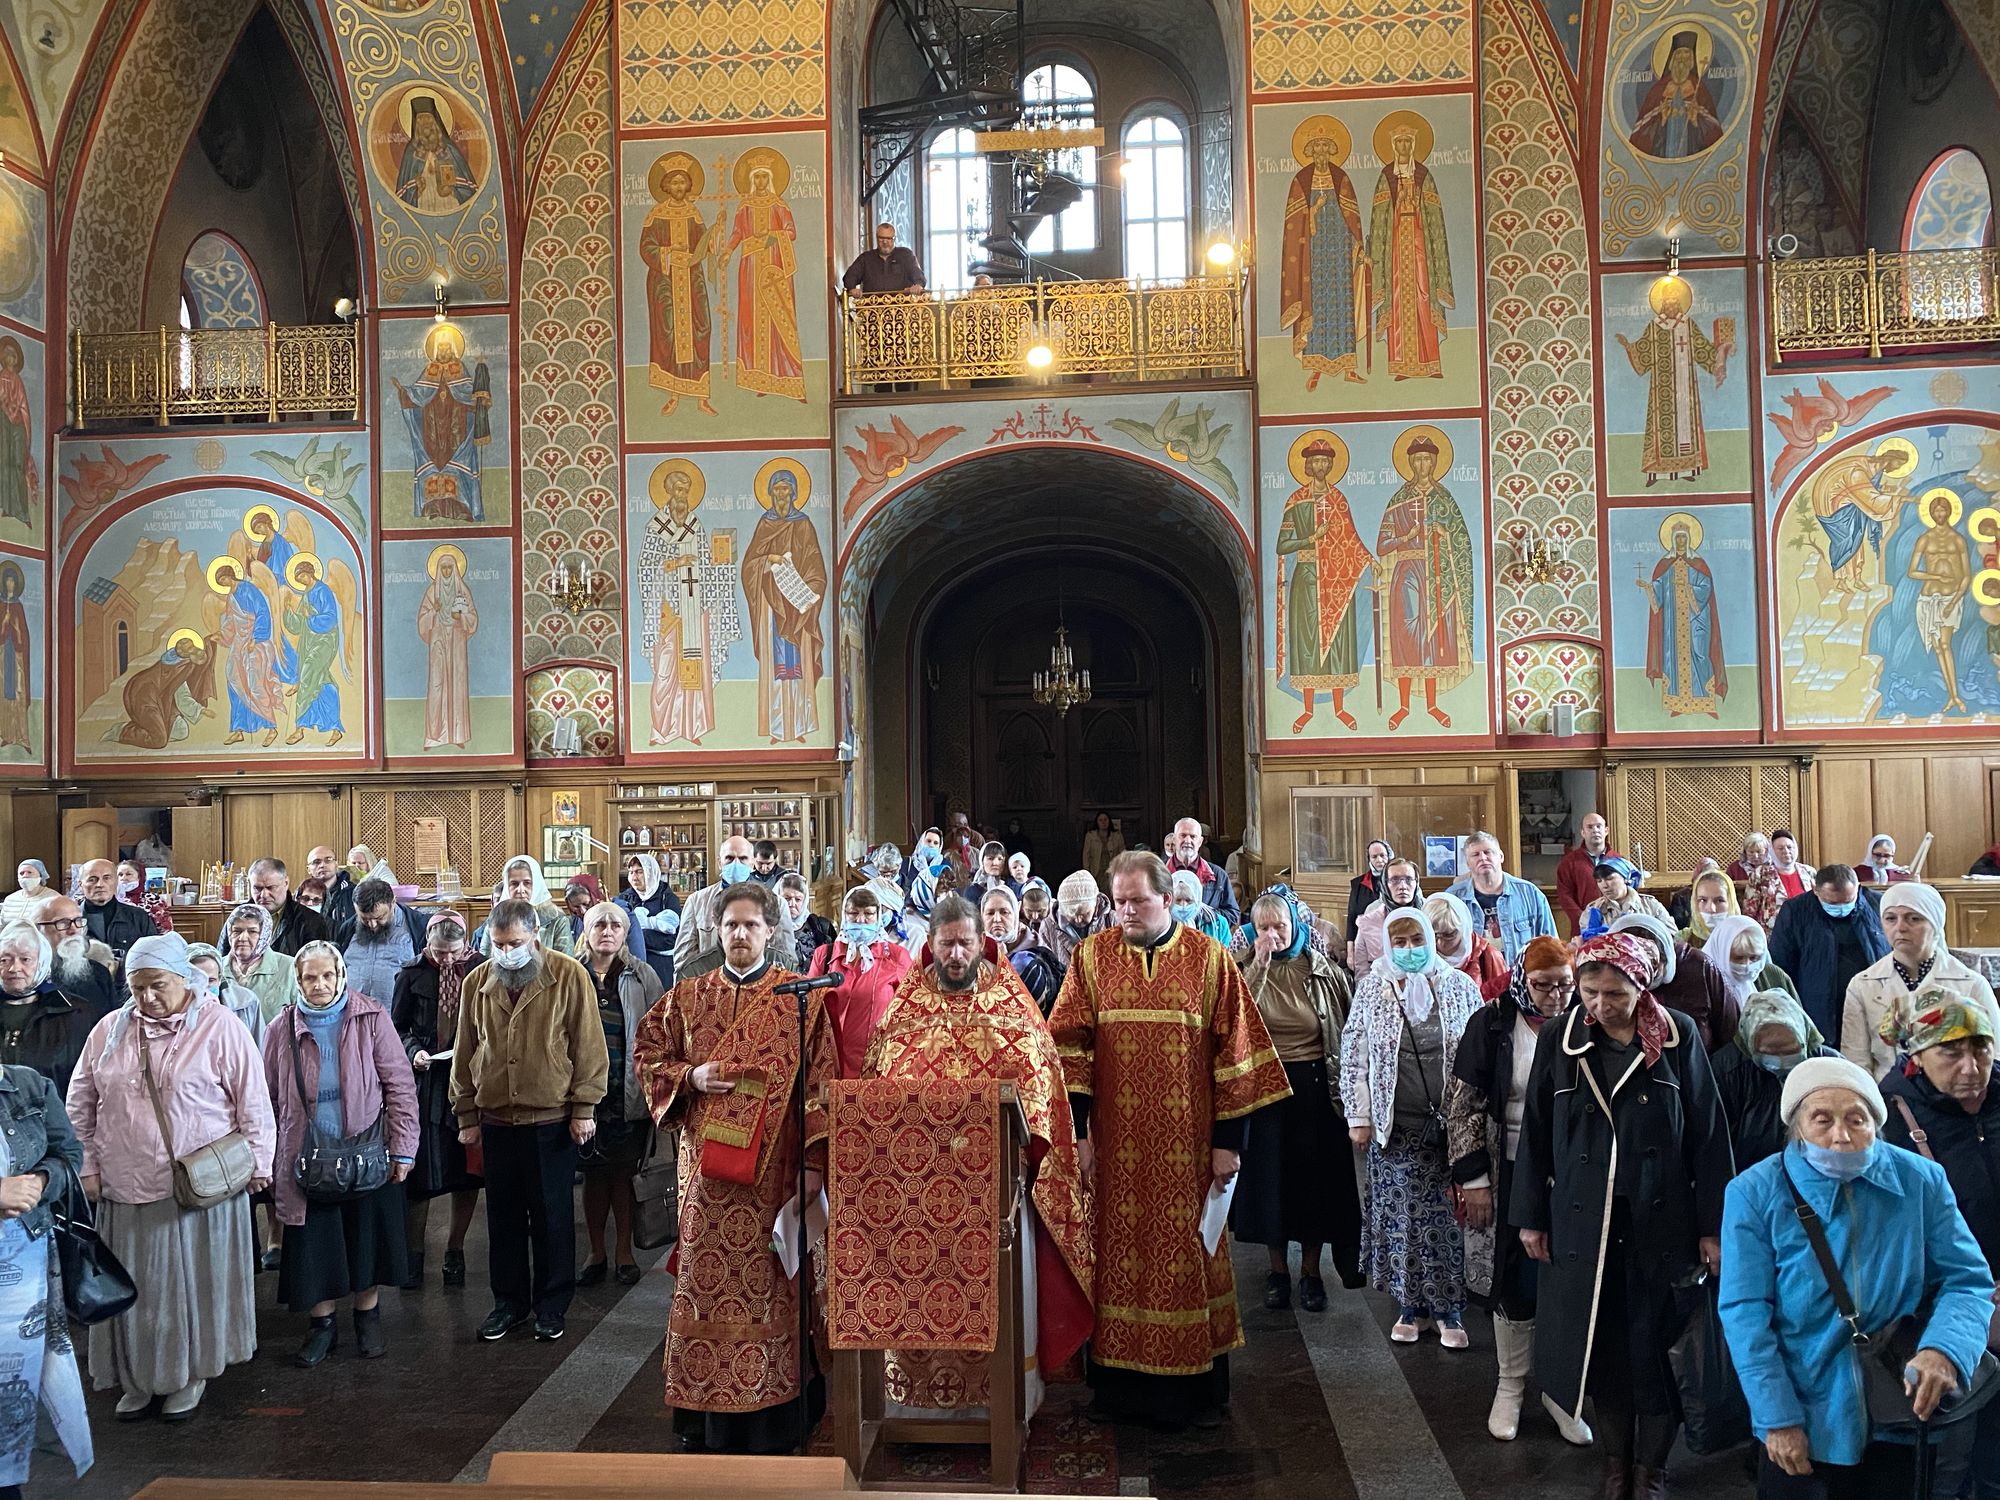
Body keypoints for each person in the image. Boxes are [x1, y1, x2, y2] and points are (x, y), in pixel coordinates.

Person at [1048, 850, 1290, 1430]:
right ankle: (1119, 1391)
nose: (1127, 911)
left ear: (1166, 898)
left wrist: (1229, 1143)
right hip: (1115, 1151)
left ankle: (1193, 1393)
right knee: (1116, 1262)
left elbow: (1238, 1056)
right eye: (1119, 901)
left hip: (1189, 1151)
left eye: (1138, 900)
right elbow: (1067, 1050)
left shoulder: (1210, 960)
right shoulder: (1090, 959)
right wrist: (1079, 1135)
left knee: (1188, 1260)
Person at [857, 892, 1093, 1421]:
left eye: (966, 943)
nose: (957, 954)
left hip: (999, 1192)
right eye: (947, 945)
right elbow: (878, 1085)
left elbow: (1041, 1082)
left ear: (982, 942)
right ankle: (916, 1411)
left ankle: (1003, 1408)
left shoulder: (1010, 1004)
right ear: (931, 945)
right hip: (916, 1193)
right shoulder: (905, 1009)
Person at [1512, 932, 1731, 1498]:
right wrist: (1531, 1216)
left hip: (1660, 1221)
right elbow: (1536, 1129)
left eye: (1615, 994)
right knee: (1603, 1351)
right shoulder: (1562, 1037)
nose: (1601, 1005)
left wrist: (1714, 1228)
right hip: (1586, 1221)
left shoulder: (1677, 1034)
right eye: (1590, 992)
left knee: (1658, 1352)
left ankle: (1650, 1468)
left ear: (1642, 987)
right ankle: (1616, 1465)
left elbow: (1708, 1134)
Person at [1720, 1055, 1994, 1498]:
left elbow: (1967, 1280)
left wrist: (1944, 1350)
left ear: (1876, 1123)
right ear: (1796, 1127)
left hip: (1899, 1408)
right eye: (1822, 1120)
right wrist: (1777, 1418)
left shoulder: (1920, 1181)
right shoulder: (1754, 1193)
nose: (1841, 1135)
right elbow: (1745, 1313)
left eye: (1856, 1119)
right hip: (1806, 1412)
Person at [633, 880, 838, 1453]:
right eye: (731, 925)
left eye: (751, 925)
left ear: (771, 930)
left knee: (773, 1283)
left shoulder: (799, 1000)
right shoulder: (687, 997)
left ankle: (775, 1414)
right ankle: (704, 1416)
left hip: (773, 1178)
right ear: (716, 931)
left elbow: (822, 1087)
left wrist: (814, 1164)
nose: (740, 934)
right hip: (705, 1180)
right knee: (702, 1284)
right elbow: (648, 1054)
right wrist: (690, 1077)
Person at [66, 933, 276, 1422]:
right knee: (134, 1289)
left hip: (197, 1188)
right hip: (125, 1185)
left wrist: (259, 1164)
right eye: (137, 988)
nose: (147, 997)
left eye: (157, 985)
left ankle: (188, 1374)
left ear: (184, 978)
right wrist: (86, 1166)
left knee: (192, 1289)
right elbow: (80, 1103)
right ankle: (138, 1377)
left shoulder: (219, 1026)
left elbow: (253, 1101)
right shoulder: (109, 1030)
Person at [1444, 935, 1594, 1446]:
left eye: (1565, 985)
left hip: (1571, 1172)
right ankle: (1510, 1385)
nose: (1555, 996)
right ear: (1521, 981)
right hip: (1504, 1165)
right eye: (1543, 986)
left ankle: (1560, 1392)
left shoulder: (1587, 1024)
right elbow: (1462, 1105)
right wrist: (1474, 1181)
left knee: (1567, 1279)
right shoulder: (1491, 1024)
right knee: (1515, 1279)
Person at [448, 898, 607, 1343]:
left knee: (552, 1217)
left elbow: (589, 1048)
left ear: (535, 935)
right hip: (496, 1119)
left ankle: (551, 1305)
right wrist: (465, 1112)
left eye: (514, 943)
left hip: (551, 1119)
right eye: (498, 944)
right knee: (503, 1219)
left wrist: (584, 1108)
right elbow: (465, 1050)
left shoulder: (568, 974)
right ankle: (509, 1303)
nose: (506, 953)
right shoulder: (478, 981)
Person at [263, 942, 417, 1367]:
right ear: (298, 981)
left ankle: (368, 1320)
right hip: (306, 1156)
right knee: (315, 1246)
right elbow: (267, 1098)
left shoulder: (371, 1016)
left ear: (341, 975)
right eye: (310, 977)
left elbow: (400, 1086)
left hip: (366, 1151)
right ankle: (322, 1328)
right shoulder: (280, 1028)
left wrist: (403, 1149)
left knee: (366, 1240)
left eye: (327, 975)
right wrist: (268, 1158)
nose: (320, 985)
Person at [1343, 904, 1482, 1347]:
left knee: (1447, 1219)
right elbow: (1354, 1053)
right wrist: (1359, 1116)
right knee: (1404, 1219)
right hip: (1396, 1128)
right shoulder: (1373, 987)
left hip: (1453, 1127)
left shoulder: (1459, 985)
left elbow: (1478, 1051)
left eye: (1416, 940)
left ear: (1430, 940)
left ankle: (1449, 1309)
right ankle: (1412, 1306)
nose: (1408, 949)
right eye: (1399, 942)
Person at [1878, 996, 2000, 1498]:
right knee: (1952, 1443)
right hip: (1941, 1304)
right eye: (1951, 1052)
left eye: (1981, 1049)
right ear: (1918, 1056)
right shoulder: (1888, 1118)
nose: (1971, 1067)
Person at [1235, 890, 1361, 1311]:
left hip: (1314, 1085)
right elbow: (1235, 1020)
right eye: (1263, 928)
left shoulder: (1323, 970)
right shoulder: (1241, 969)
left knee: (1313, 1182)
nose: (1273, 934)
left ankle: (1311, 1272)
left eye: (1280, 926)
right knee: (1269, 1180)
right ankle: (1277, 1271)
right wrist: (1259, 966)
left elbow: (1348, 1028)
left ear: (1295, 926)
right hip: (1264, 1087)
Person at [0, 1054, 93, 1490]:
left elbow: (68, 1154)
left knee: (12, 1390)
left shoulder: (29, 1086)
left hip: (23, 1264)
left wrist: (39, 1182)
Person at [390, 912, 482, 1290]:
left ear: (465, 945)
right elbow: (397, 1027)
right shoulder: (411, 973)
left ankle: (454, 1250)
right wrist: (413, 1050)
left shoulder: (480, 970)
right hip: (428, 1079)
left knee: (467, 1172)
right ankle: (413, 1254)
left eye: (453, 952)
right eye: (439, 952)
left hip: (470, 1079)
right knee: (421, 1172)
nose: (445, 959)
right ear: (427, 942)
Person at [574, 902, 663, 1289]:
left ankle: (624, 1252)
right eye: (599, 924)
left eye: (615, 925)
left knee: (625, 1176)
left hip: (628, 1092)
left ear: (626, 933)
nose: (607, 931)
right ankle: (596, 1252)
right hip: (584, 1096)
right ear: (586, 930)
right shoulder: (571, 972)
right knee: (593, 1177)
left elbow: (659, 1031)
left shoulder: (643, 975)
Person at [1841, 880, 1998, 1079]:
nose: (1900, 927)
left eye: (1914, 919)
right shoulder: (1863, 984)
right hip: (1888, 1092)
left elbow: (1994, 1054)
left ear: (1935, 924)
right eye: (1890, 918)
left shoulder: (1971, 984)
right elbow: (1856, 1062)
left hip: (1955, 1091)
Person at [1713, 989, 1837, 1171]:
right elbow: (1715, 1140)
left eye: (1790, 1051)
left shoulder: (1831, 1066)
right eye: (1768, 1052)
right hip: (1752, 1173)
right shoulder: (1728, 1070)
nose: (1780, 1060)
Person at [1769, 864, 1888, 1051]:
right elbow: (1781, 964)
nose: (1841, 907)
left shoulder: (1878, 904)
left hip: (1872, 1004)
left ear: (1857, 887)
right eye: (1832, 903)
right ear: (1815, 890)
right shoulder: (1795, 911)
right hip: (1819, 1006)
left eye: (1848, 901)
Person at [805, 885, 912, 1077]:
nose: (860, 920)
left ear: (878, 917)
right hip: (828, 1063)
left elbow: (909, 1012)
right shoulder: (825, 955)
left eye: (868, 914)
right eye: (853, 913)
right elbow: (809, 1006)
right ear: (844, 915)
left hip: (875, 1064)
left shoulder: (897, 957)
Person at [1611, 910, 1740, 1055]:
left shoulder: (1698, 967)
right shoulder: (1606, 979)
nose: (1644, 978)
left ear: (1665, 957)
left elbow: (1731, 1032)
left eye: (1652, 968)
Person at [673, 834, 798, 980]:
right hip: (709, 986)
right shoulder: (697, 902)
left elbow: (786, 959)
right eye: (729, 858)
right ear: (719, 863)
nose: (736, 864)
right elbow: (683, 960)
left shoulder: (777, 903)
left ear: (752, 863)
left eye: (743, 858)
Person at [0, 921, 99, 1094]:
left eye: (25, 959)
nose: (14, 968)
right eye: (4, 960)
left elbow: (89, 1081)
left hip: (53, 1109)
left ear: (42, 962)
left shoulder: (74, 1011)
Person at [1446, 832, 1556, 968]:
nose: (1483, 858)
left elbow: (1551, 944)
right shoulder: (1453, 899)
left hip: (1519, 976)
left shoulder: (1530, 894)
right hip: (1473, 977)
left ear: (1501, 856)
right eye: (1475, 855)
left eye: (1488, 852)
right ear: (1468, 863)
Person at [342, 878, 429, 1008]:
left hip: (397, 1014)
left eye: (379, 918)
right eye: (364, 919)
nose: (372, 925)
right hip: (353, 1011)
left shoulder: (418, 927)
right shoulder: (347, 928)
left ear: (393, 902)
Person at [33, 894, 118, 1017]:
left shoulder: (99, 973)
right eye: (63, 923)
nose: (73, 930)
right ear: (37, 929)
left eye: (78, 921)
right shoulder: (27, 977)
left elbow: (113, 1022)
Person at [1702, 913, 1800, 1020]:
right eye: (1738, 958)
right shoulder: (1705, 984)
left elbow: (1800, 1021)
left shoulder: (1774, 976)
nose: (1747, 965)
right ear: (1722, 954)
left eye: (1754, 958)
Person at [980, 886, 1061, 1013]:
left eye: (1004, 912)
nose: (997, 919)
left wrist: (1004, 963)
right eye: (990, 913)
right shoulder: (974, 949)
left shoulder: (1034, 948)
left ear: (1015, 914)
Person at [220, 901, 297, 1025]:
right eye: (237, 931)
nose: (242, 938)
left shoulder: (290, 967)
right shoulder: (217, 968)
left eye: (252, 932)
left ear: (265, 935)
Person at [481, 856, 573, 959]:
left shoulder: (556, 920)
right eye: (514, 884)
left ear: (537, 885)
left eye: (527, 883)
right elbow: (484, 959)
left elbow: (566, 962)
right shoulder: (496, 919)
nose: (520, 890)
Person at [1426, 891, 1509, 1002]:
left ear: (1464, 929)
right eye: (1434, 935)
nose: (1440, 943)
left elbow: (1503, 1002)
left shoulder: (1488, 955)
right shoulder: (1423, 955)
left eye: (1449, 935)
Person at [185, 941, 265, 1048]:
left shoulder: (246, 1002)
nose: (204, 987)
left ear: (219, 979)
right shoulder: (174, 1009)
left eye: (211, 980)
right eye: (197, 980)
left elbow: (260, 1045)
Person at [1352, 857, 1424, 974]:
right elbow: (1362, 968)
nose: (1402, 886)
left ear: (1417, 883)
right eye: (1394, 880)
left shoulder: (1429, 914)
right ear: (1385, 884)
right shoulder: (1370, 920)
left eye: (1409, 879)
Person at [78, 858, 157, 963]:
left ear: (116, 882)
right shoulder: (71, 921)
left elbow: (154, 956)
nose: (100, 884)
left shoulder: (139, 917)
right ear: (80, 885)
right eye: (92, 879)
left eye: (106, 878)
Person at [244, 858, 328, 957]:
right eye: (257, 888)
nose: (264, 895)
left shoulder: (311, 921)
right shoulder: (239, 916)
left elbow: (317, 963)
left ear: (286, 883)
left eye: (271, 888)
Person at [1166, 818, 1241, 927]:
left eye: (1193, 836)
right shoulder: (1160, 875)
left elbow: (1232, 914)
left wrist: (1204, 915)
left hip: (1207, 937)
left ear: (1200, 841)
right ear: (1174, 839)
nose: (1187, 840)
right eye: (1183, 835)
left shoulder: (1217, 875)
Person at [618, 853, 682, 981]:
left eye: (639, 872)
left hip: (662, 965)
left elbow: (671, 940)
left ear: (651, 872)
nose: (634, 877)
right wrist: (655, 927)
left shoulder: (668, 898)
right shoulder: (625, 898)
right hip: (630, 964)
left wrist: (637, 935)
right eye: (631, 872)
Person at [1556, 814, 1619, 936]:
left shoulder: (1618, 861)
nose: (1595, 830)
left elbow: (1627, 892)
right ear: (1583, 833)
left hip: (1615, 927)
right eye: (1590, 827)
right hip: (1583, 930)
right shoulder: (1569, 862)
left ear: (1606, 830)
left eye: (1599, 826)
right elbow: (1564, 895)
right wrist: (1583, 919)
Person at [1579, 856, 1671, 937]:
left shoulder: (1650, 905)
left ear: (1626, 878)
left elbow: (1672, 936)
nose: (1604, 885)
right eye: (1599, 881)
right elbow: (1585, 944)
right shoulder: (1593, 909)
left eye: (1609, 879)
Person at [1038, 871, 1111, 969]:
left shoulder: (1112, 920)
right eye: (1071, 915)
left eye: (1084, 914)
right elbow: (1046, 967)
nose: (1078, 920)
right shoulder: (1048, 927)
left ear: (1096, 903)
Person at [840, 222, 926, 293]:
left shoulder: (906, 255)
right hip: (873, 307)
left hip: (901, 306)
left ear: (894, 239)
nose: (885, 242)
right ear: (876, 238)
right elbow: (849, 277)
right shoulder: (866, 258)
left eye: (889, 238)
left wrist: (918, 285)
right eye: (881, 238)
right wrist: (852, 289)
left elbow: (919, 276)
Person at [777, 872, 834, 969]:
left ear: (805, 900)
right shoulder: (770, 927)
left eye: (798, 899)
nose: (792, 904)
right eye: (787, 899)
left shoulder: (820, 926)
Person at [1169, 868, 1234, 946]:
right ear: (1169, 900)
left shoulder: (1218, 924)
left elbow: (1227, 952)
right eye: (1178, 900)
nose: (1183, 905)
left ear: (1197, 900)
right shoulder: (1161, 924)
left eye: (1188, 900)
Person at [1346, 840, 1394, 944]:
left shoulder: (1397, 882)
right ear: (1369, 859)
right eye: (1374, 857)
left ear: (1389, 856)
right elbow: (1352, 917)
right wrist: (1350, 947)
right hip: (1366, 940)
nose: (1379, 860)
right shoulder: (1358, 884)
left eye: (1382, 855)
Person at [309, 846, 358, 948]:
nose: (322, 865)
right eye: (317, 862)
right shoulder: (301, 897)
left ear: (336, 864)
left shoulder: (354, 893)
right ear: (309, 869)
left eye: (328, 860)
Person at [1681, 866, 1742, 947]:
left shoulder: (1745, 940)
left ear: (1731, 902)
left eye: (1719, 900)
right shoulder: (1682, 941)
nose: (1711, 909)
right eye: (1703, 900)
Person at [117, 859, 174, 934]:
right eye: (120, 875)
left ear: (140, 877)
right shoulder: (112, 898)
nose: (123, 878)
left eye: (128, 874)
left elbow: (165, 929)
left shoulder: (153, 899)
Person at [963, 841, 1016, 908]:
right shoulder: (973, 890)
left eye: (1000, 859)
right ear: (982, 861)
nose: (995, 863)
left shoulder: (1011, 886)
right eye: (990, 858)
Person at [1081, 812, 1125, 886]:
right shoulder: (1090, 836)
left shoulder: (1117, 836)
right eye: (1100, 820)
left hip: (1112, 871)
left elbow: (1122, 854)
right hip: (1096, 871)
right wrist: (1087, 872)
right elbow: (1086, 855)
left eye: (1105, 820)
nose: (1103, 822)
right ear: (1097, 822)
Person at [1767, 830, 1815, 899]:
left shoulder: (1809, 871)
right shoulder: (1761, 874)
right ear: (1772, 851)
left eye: (1789, 847)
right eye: (1780, 848)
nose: (1786, 851)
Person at [0, 857, 47, 926]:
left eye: (29, 872)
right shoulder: (10, 899)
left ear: (40, 875)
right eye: (21, 873)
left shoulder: (53, 898)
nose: (25, 876)